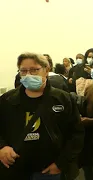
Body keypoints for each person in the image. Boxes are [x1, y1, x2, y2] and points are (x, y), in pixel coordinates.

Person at [0, 52, 84, 180]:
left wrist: (61, 163)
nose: (28, 75)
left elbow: (76, 134)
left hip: (50, 170)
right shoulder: (7, 100)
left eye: (34, 70)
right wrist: (2, 147)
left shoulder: (62, 99)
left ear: (46, 70)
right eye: (23, 71)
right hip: (16, 170)